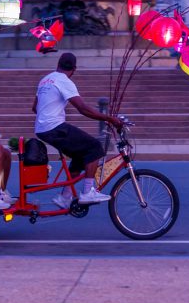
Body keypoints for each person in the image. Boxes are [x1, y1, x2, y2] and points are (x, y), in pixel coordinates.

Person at [33, 52, 122, 208]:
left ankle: (65, 197)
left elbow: (35, 107)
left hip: (42, 128)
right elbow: (82, 108)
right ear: (74, 69)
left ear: (58, 65)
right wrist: (110, 119)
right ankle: (88, 192)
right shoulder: (64, 81)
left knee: (81, 155)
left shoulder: (45, 80)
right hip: (54, 127)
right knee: (94, 147)